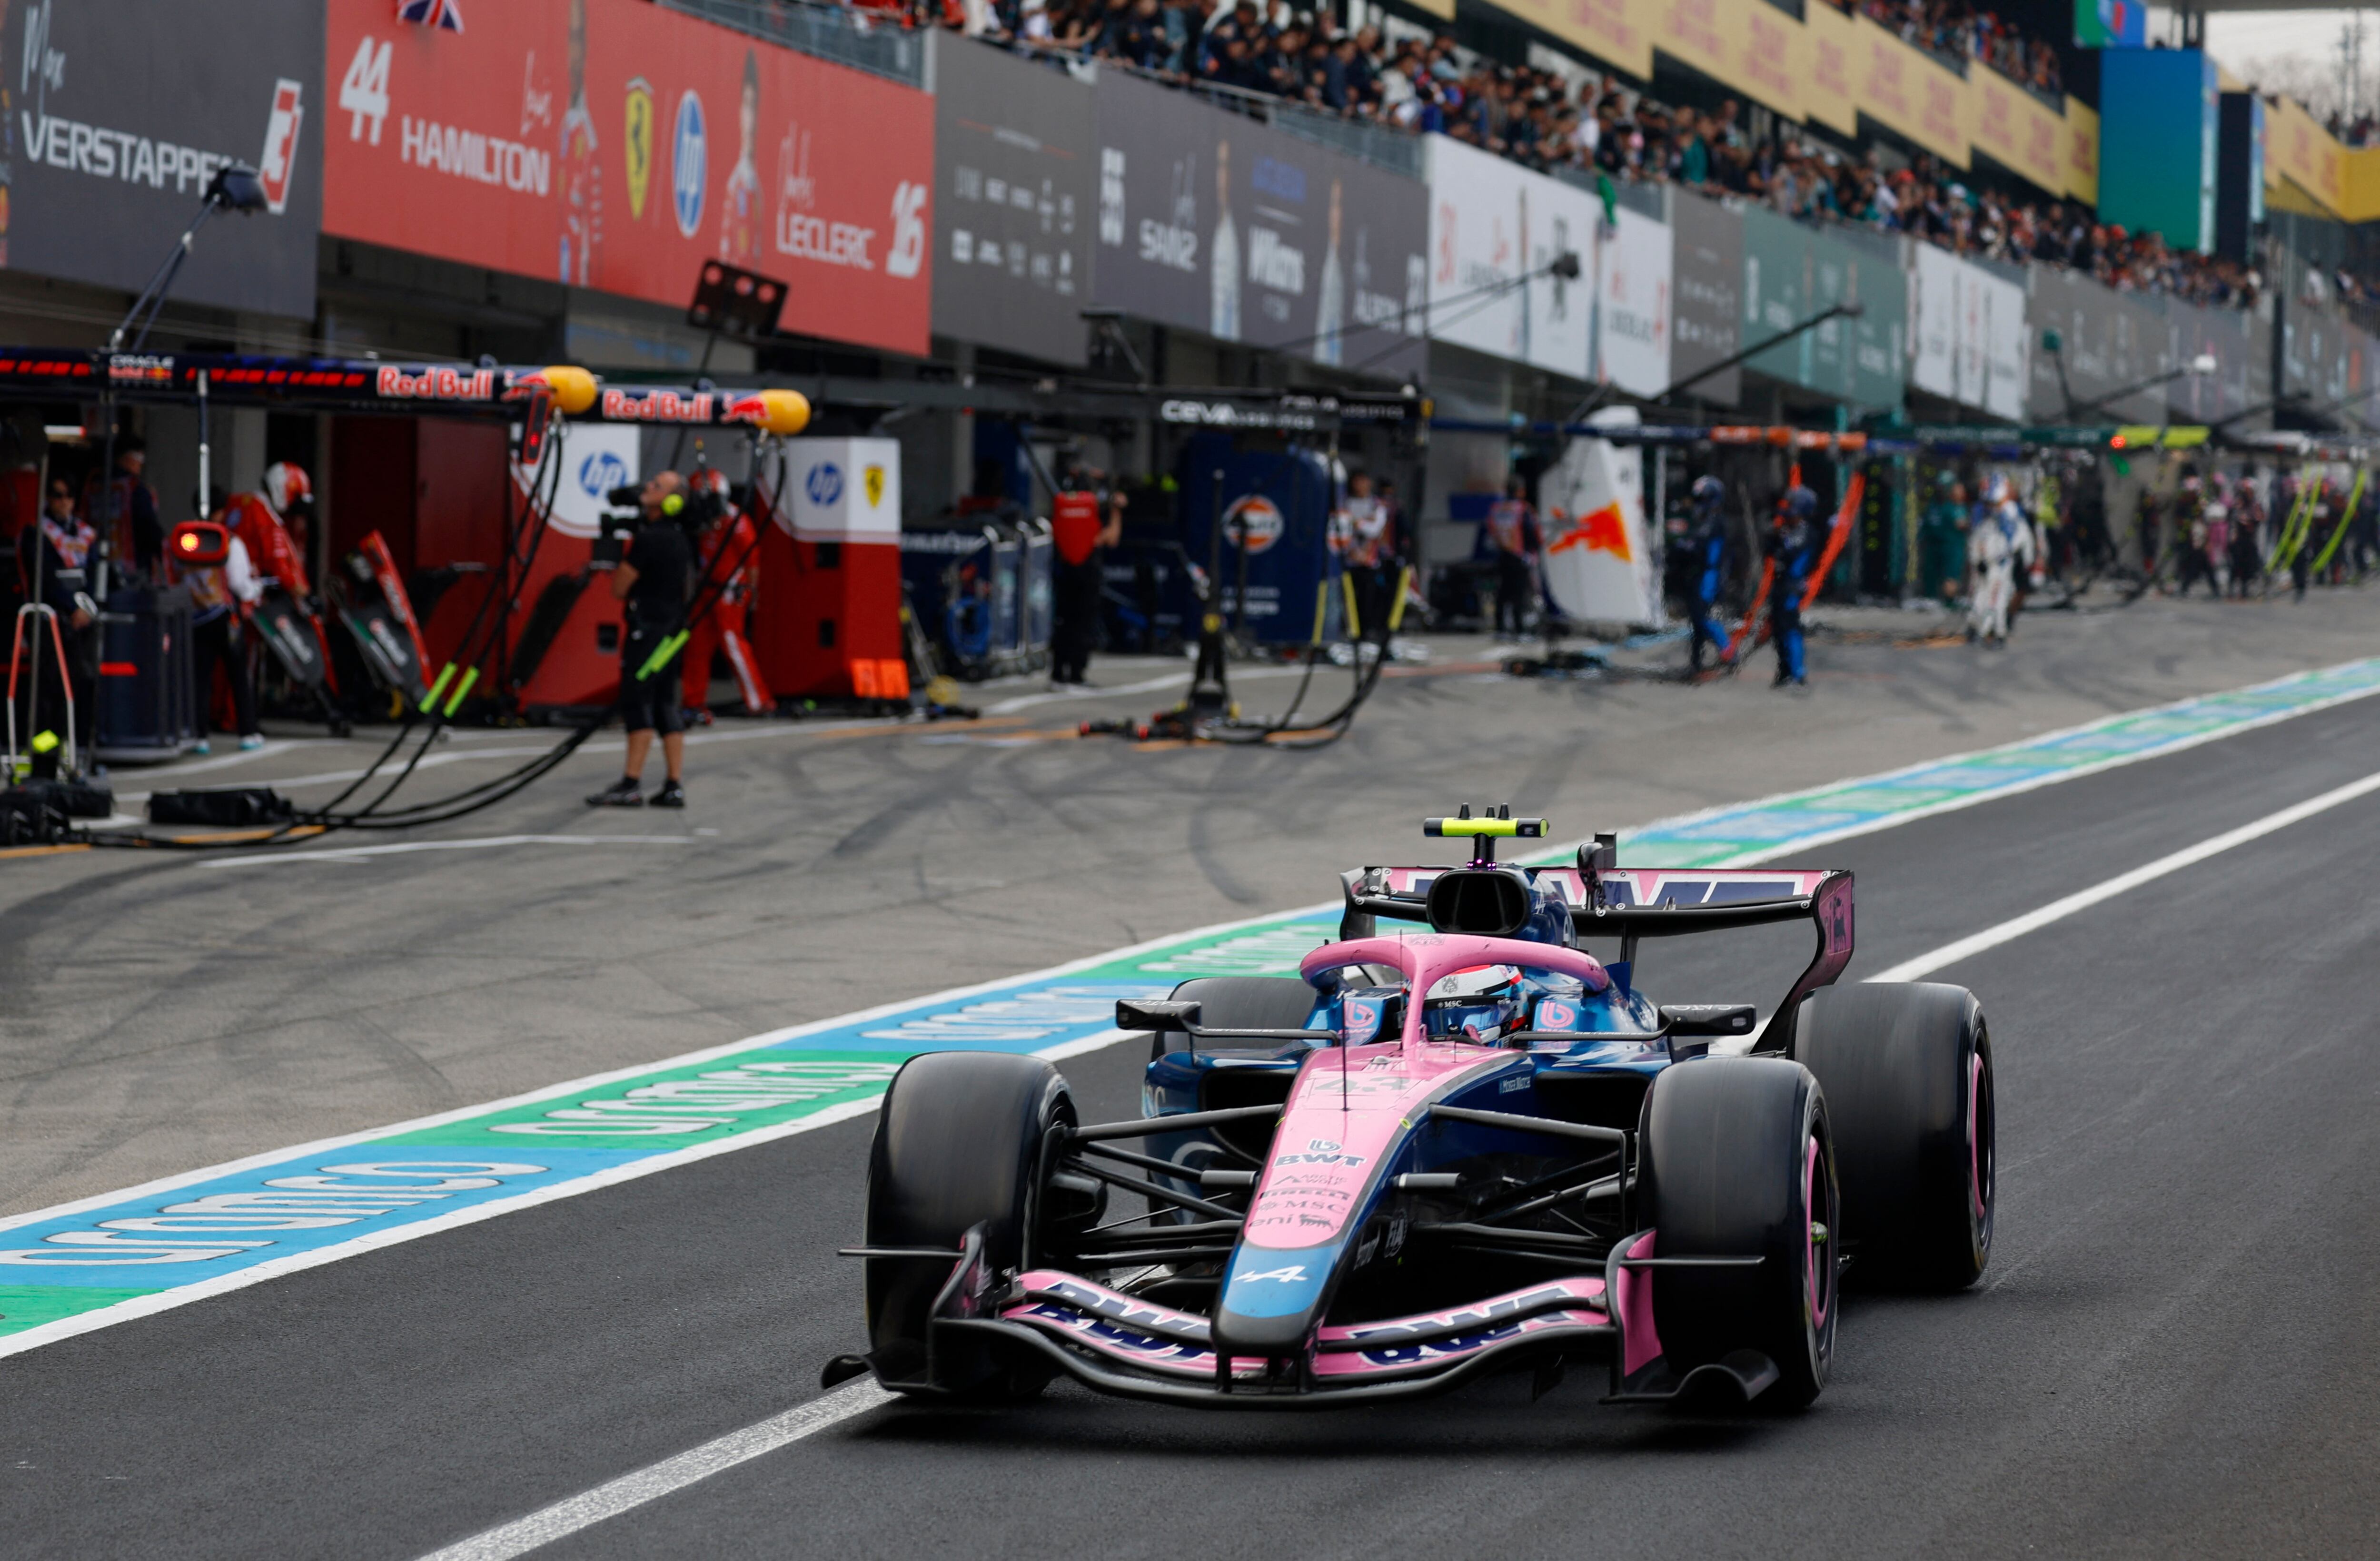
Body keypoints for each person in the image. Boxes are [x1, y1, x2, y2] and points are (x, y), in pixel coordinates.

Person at [590, 472, 693, 808]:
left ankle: (631, 783)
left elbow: (619, 587)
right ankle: (674, 783)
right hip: (674, 632)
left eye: (656, 486)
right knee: (666, 703)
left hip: (647, 630)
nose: (647, 489)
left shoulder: (650, 539)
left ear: (671, 500)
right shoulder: (681, 538)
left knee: (637, 700)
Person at [678, 469, 772, 722]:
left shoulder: (736, 520)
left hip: (729, 592)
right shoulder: (700, 520)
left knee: (733, 645)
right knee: (696, 647)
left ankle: (759, 700)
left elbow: (753, 560)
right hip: (705, 590)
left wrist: (750, 591)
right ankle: (694, 702)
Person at [14, 478, 99, 756]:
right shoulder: (37, 533)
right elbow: (44, 577)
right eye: (57, 495)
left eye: (69, 496)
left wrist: (86, 608)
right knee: (50, 687)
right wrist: (71, 608)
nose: (63, 501)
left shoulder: (87, 534)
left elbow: (96, 575)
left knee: (81, 684)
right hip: (49, 619)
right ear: (48, 498)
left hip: (83, 621)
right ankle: (45, 753)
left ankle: (75, 746)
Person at [175, 496, 264, 753]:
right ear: (222, 511)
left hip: (196, 619)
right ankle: (248, 732)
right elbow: (240, 584)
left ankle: (200, 736)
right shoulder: (229, 541)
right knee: (238, 675)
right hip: (226, 618)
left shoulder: (185, 538)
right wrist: (256, 589)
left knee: (201, 678)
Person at [1050, 478, 1122, 686]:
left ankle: (1057, 671)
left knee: (1063, 621)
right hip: (1088, 573)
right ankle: (1076, 673)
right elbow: (1111, 538)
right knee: (1084, 624)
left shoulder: (1061, 508)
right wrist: (1116, 512)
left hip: (1064, 572)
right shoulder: (1092, 515)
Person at [1965, 475, 2033, 644]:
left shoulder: (2010, 513)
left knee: (1998, 599)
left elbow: (2018, 540)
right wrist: (1977, 560)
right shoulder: (1982, 515)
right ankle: (1976, 627)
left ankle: (1998, 632)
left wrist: (2019, 557)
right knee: (1979, 596)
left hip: (2001, 565)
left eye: (1995, 503)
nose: (1992, 506)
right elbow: (1977, 539)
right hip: (1984, 564)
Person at [88, 438, 162, 581]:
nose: (141, 463)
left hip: (95, 564)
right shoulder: (136, 489)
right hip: (131, 568)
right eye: (139, 457)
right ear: (126, 457)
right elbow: (149, 527)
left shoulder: (93, 485)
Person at [1766, 485, 1818, 687]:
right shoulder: (1791, 530)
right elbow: (1772, 551)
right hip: (1781, 585)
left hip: (1793, 586)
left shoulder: (1806, 532)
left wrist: (1779, 535)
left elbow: (1789, 549)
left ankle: (1798, 673)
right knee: (1778, 631)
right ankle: (1784, 672)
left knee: (1790, 629)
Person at [1683, 474, 1733, 675]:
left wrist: (1684, 546)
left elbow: (1698, 545)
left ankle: (1729, 653)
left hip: (1710, 576)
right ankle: (1696, 662)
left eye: (1700, 499)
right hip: (1700, 574)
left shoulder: (1714, 521)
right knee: (1696, 620)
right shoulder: (1705, 520)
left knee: (1704, 617)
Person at [1483, 476, 1540, 639]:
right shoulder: (1523, 509)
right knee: (1519, 594)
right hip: (1519, 555)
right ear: (1520, 491)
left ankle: (1500, 628)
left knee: (1503, 593)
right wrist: (1533, 550)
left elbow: (1490, 530)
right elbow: (1531, 531)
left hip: (1501, 555)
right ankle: (1519, 630)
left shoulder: (1497, 509)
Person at [1338, 471, 1392, 642]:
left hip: (1369, 560)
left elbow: (1375, 529)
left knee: (1367, 599)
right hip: (1348, 559)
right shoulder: (1344, 502)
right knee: (1346, 598)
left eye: (1363, 481)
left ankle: (1365, 634)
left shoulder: (1377, 505)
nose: (1360, 485)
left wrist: (1356, 522)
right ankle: (1346, 632)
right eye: (1357, 481)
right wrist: (1362, 522)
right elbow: (1340, 525)